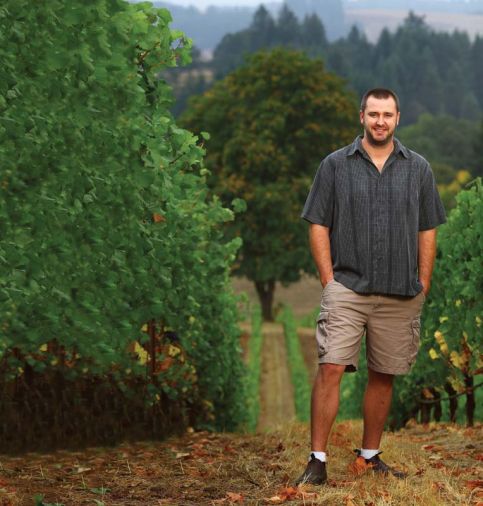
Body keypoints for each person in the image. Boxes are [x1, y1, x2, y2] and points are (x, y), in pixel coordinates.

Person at [296, 88, 446, 485]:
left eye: (388, 114)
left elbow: (427, 227)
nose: (381, 121)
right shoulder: (334, 166)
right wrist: (329, 281)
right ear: (361, 116)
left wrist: (423, 282)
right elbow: (317, 223)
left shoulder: (419, 168)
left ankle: (369, 455)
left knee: (384, 373)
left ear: (399, 118)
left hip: (400, 290)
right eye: (374, 113)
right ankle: (317, 460)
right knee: (330, 367)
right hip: (347, 285)